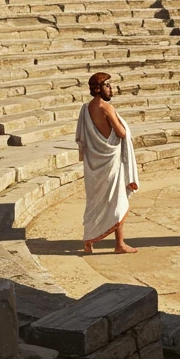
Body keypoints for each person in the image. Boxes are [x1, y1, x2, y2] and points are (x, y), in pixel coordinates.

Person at [76, 73, 139, 255]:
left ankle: (88, 242)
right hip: (111, 163)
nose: (111, 89)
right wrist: (122, 125)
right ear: (99, 88)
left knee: (94, 202)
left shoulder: (85, 109)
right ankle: (119, 244)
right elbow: (120, 133)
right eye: (108, 86)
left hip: (94, 163)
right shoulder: (106, 107)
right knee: (117, 201)